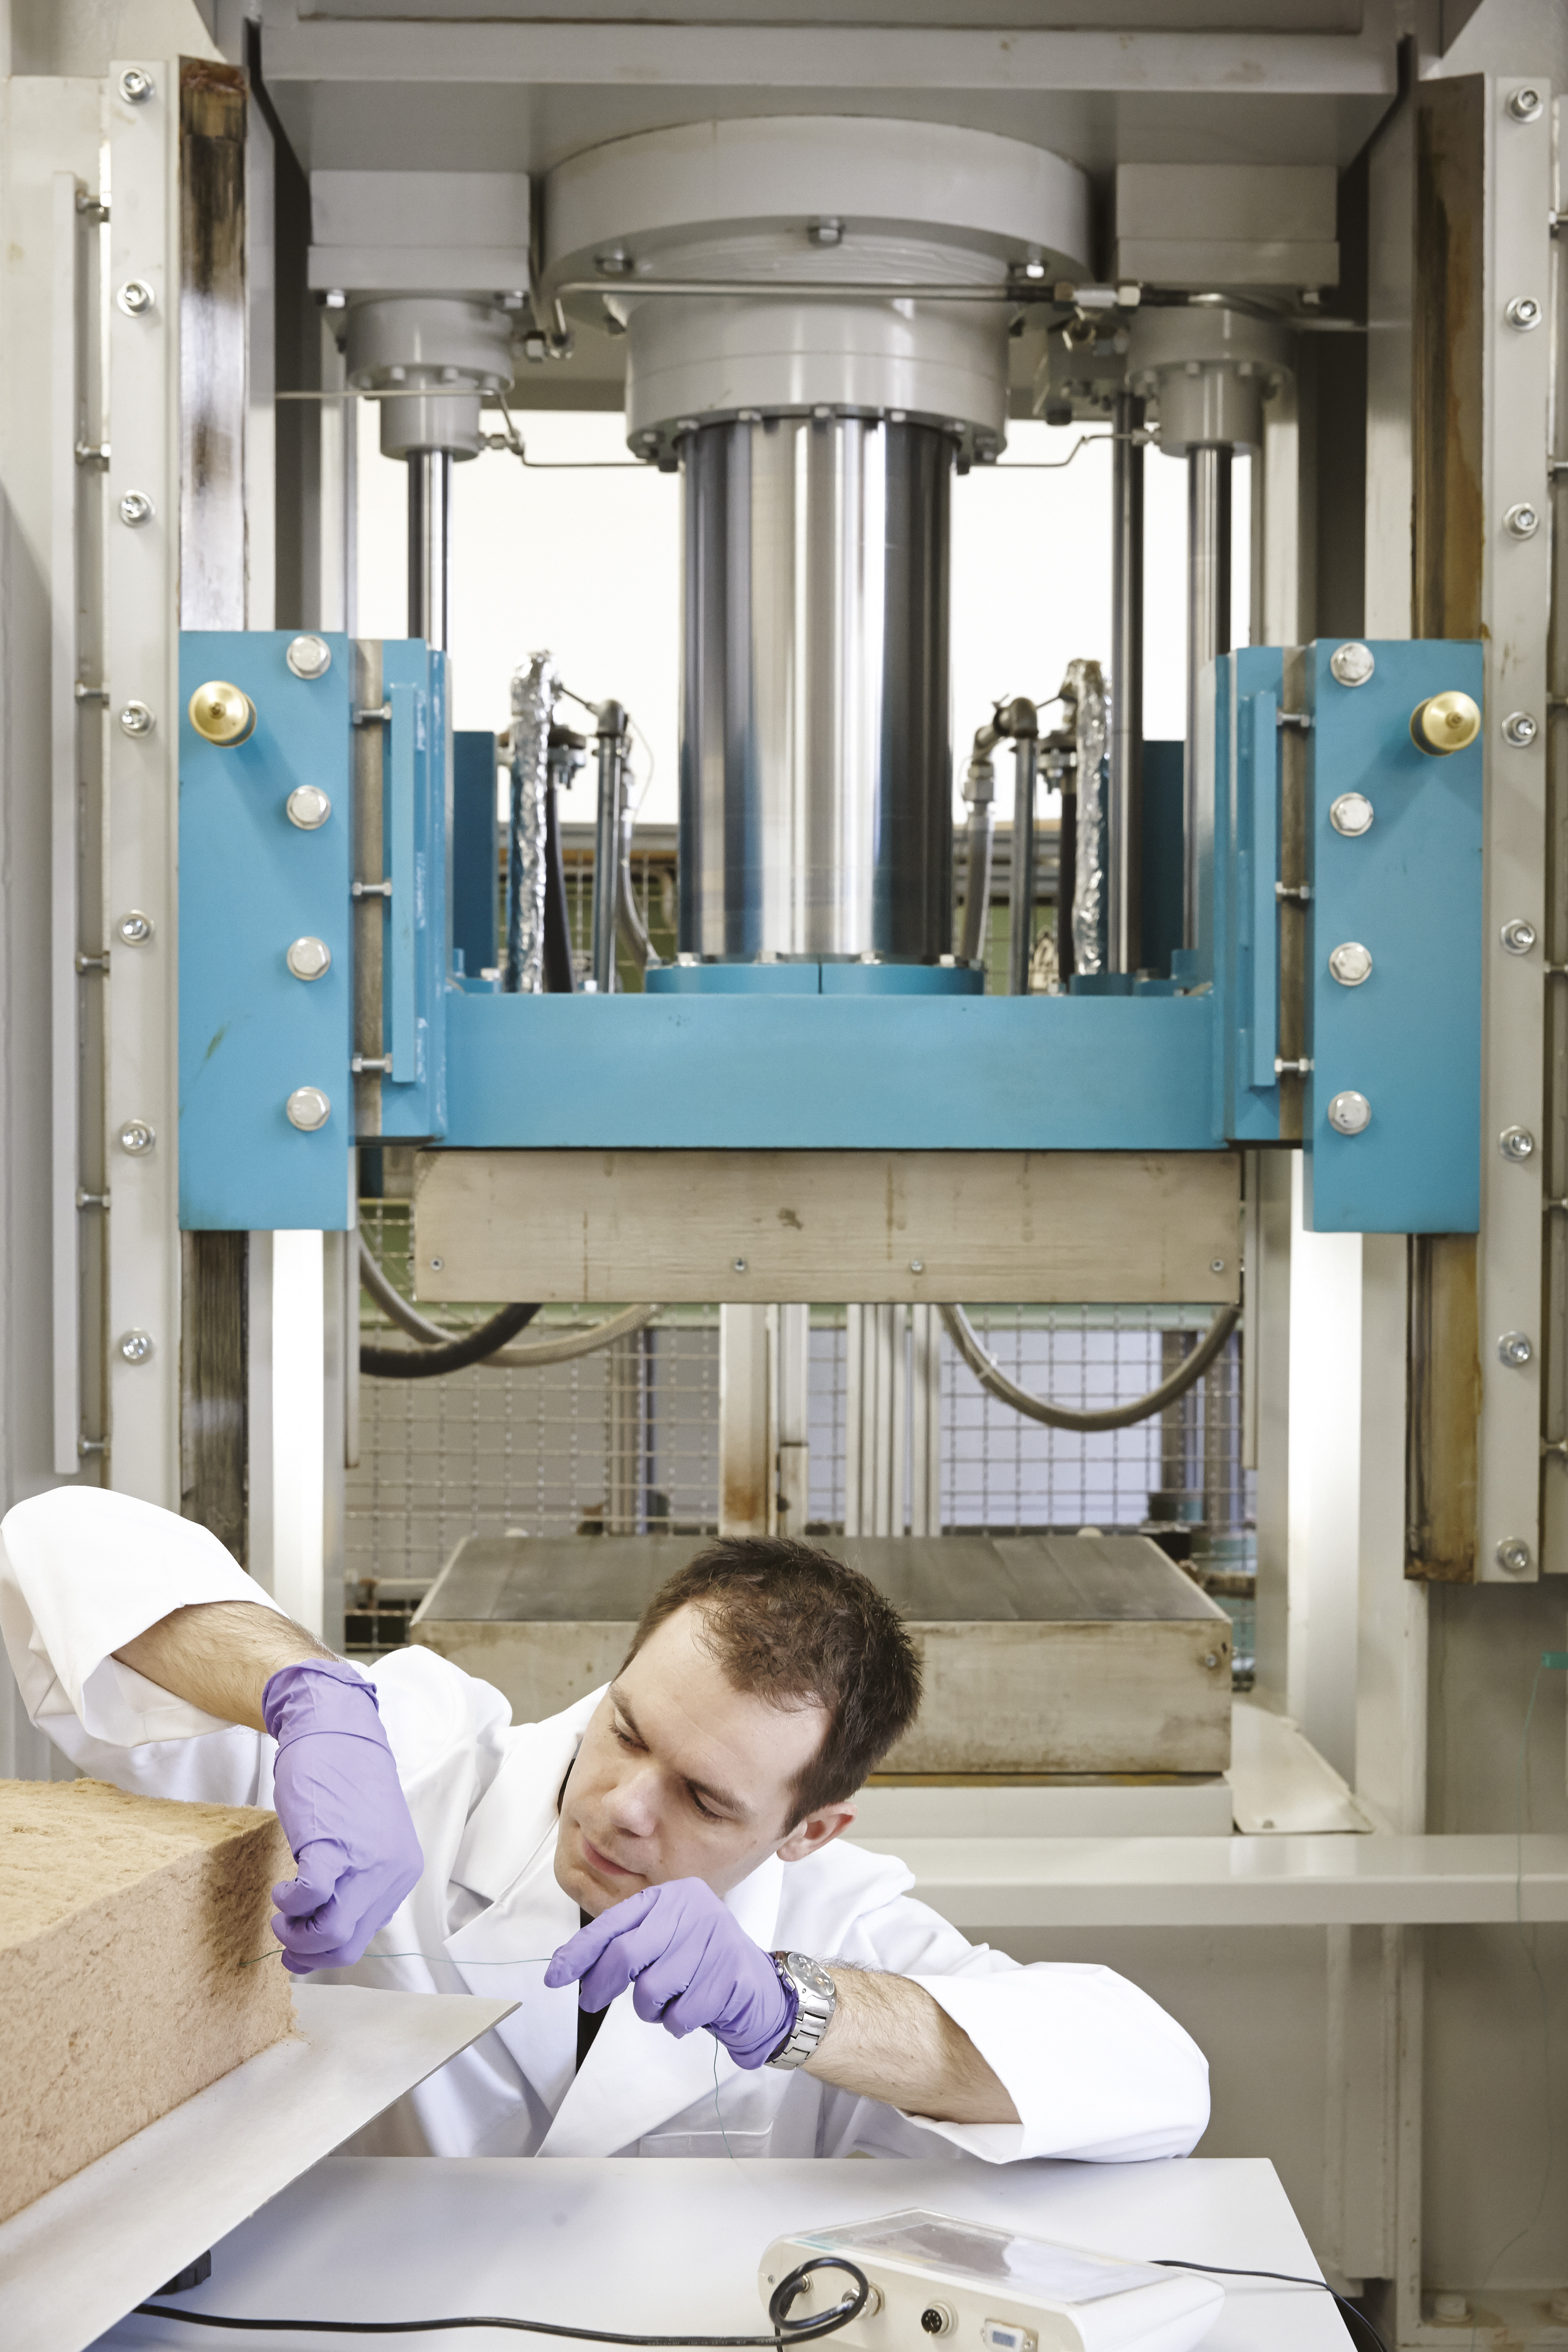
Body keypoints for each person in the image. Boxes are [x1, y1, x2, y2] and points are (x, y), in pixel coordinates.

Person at [0, 1485, 1208, 2165]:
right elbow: (58, 1541)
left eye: (706, 1799)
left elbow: (1157, 2074)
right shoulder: (418, 1758)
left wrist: (797, 2010)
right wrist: (308, 1695)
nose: (625, 1807)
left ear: (810, 1831)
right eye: (628, 1729)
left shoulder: (841, 1923)